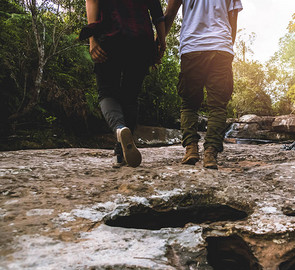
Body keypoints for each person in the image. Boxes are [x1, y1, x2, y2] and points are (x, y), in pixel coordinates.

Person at [82, 0, 166, 168]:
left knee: (106, 92)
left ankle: (119, 128)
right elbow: (157, 11)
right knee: (130, 96)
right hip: (142, 39)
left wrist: (92, 38)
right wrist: (161, 43)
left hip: (111, 34)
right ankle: (121, 154)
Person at [164, 0, 243, 169]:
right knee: (218, 106)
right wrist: (227, 45)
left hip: (192, 47)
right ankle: (210, 154)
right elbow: (233, 19)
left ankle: (191, 149)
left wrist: (160, 41)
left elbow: (169, 14)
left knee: (189, 104)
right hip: (221, 48)